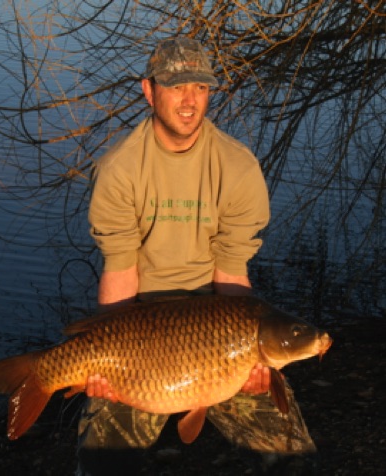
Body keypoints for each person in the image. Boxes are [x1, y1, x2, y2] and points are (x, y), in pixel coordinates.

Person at [78, 37, 316, 475]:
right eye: (176, 87)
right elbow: (120, 274)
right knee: (103, 461)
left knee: (290, 458)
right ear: (149, 91)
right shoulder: (118, 170)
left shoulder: (238, 167)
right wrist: (101, 357)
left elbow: (231, 274)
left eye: (201, 88)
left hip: (218, 323)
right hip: (140, 326)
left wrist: (252, 358)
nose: (190, 101)